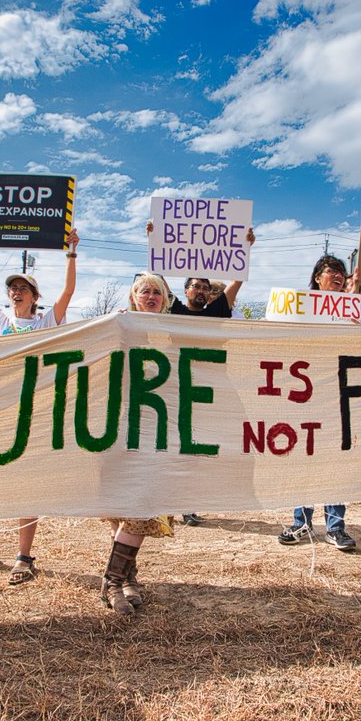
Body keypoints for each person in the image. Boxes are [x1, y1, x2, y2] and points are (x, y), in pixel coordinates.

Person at [0, 223, 79, 585]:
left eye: (22, 288)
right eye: (12, 287)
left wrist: (71, 252)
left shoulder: (47, 321)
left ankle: (24, 556)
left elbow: (69, 290)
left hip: (34, 409)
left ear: (34, 296)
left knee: (27, 482)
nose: (15, 291)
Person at [278, 254, 361, 548]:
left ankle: (335, 527)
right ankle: (302, 523)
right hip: (308, 394)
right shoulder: (302, 307)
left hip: (345, 394)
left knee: (337, 459)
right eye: (331, 270)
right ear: (317, 278)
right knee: (306, 458)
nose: (338, 275)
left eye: (342, 272)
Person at [145, 221, 256, 524]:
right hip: (176, 386)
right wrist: (153, 241)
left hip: (210, 388)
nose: (202, 291)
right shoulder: (176, 309)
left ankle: (191, 501)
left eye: (206, 288)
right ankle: (168, 500)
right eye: (197, 286)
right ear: (185, 291)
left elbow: (236, 281)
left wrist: (245, 248)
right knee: (172, 444)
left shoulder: (218, 310)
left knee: (201, 445)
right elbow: (158, 279)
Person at [100, 273, 179, 615]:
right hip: (119, 431)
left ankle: (117, 579)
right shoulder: (119, 328)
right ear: (133, 297)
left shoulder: (174, 336)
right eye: (144, 290)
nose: (150, 295)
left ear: (165, 299)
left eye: (156, 291)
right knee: (124, 510)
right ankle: (121, 580)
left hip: (155, 434)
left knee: (140, 508)